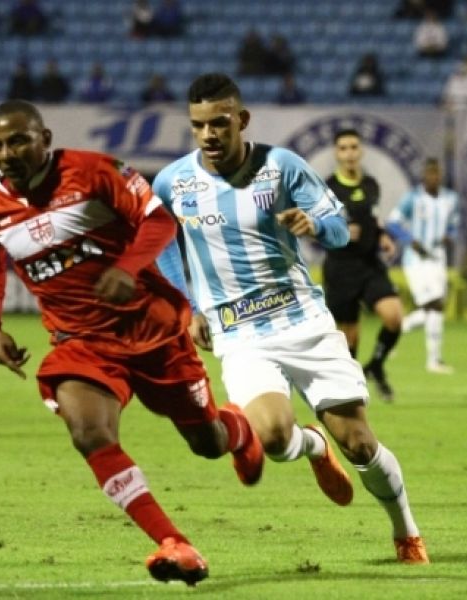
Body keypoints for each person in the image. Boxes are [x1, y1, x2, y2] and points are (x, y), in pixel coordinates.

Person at [0, 99, 264, 585]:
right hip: (80, 342)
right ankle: (174, 542)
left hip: (151, 330)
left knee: (207, 442)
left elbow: (160, 221)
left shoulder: (95, 172)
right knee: (89, 433)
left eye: (18, 141)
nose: (7, 153)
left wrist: (127, 268)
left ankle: (239, 431)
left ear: (44, 139)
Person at [154, 72, 429, 565]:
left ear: (242, 119)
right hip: (239, 333)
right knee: (275, 439)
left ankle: (405, 531)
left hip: (302, 320)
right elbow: (160, 242)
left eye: (219, 123)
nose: (209, 134)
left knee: (359, 444)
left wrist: (314, 225)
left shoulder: (281, 167)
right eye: (199, 125)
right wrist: (187, 306)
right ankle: (314, 447)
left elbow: (340, 230)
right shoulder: (174, 181)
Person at [324, 129, 403, 402]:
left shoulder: (371, 185)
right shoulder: (327, 189)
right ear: (336, 153)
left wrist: (382, 236)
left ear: (361, 151)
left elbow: (373, 218)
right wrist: (340, 231)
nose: (349, 153)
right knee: (349, 339)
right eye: (343, 148)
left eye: (353, 147)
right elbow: (313, 228)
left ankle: (376, 365)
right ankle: (353, 390)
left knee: (394, 316)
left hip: (370, 264)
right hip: (341, 267)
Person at [387, 158, 459, 374]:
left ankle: (394, 331)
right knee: (435, 305)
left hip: (438, 259)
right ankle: (434, 361)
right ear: (424, 176)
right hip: (416, 260)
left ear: (441, 175)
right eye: (430, 173)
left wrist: (449, 236)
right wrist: (410, 241)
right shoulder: (413, 198)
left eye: (436, 173)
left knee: (433, 308)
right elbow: (392, 222)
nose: (433, 177)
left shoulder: (451, 199)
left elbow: (454, 225)